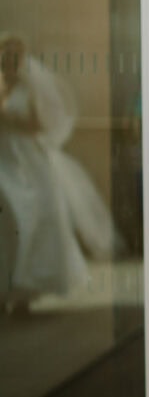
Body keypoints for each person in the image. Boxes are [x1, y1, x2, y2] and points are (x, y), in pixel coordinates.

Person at [0, 33, 122, 315]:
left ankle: (24, 290)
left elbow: (39, 122)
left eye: (12, 56)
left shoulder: (30, 86)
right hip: (3, 157)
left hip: (25, 156)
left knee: (32, 218)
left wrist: (8, 118)